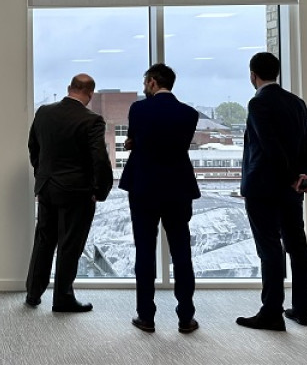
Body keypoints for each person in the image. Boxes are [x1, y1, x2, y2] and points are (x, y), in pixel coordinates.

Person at [237, 52, 307, 331]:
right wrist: (305, 176)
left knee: (270, 249)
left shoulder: (258, 103)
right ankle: (302, 311)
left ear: (253, 75)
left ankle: (271, 313)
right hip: (292, 190)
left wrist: (290, 177)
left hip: (263, 188)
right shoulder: (297, 102)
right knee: (298, 247)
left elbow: (269, 146)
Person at [118, 64, 200, 334]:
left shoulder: (139, 109)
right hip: (177, 188)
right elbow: (175, 144)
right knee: (182, 252)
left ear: (152, 82)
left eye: (145, 83)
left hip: (144, 187)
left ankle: (146, 317)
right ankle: (186, 317)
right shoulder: (188, 114)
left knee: (144, 252)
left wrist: (135, 143)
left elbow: (136, 139)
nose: (144, 87)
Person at [25, 74, 113, 312]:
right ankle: (62, 298)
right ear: (90, 94)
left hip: (47, 188)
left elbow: (33, 147)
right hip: (77, 192)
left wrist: (42, 175)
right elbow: (100, 159)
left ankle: (33, 293)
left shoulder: (44, 112)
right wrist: (100, 190)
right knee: (69, 245)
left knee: (43, 241)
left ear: (69, 88)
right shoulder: (92, 120)